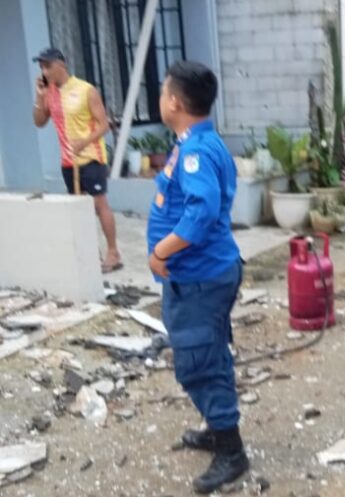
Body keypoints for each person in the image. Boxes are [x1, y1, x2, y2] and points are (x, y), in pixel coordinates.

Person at [146, 61, 248, 494]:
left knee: (198, 363)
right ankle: (216, 427)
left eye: (163, 91)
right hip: (204, 276)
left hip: (201, 279)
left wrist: (160, 251)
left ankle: (232, 452)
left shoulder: (196, 152)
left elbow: (202, 211)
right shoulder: (198, 143)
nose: (161, 98)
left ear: (174, 101)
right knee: (209, 353)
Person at [32, 48, 122, 273]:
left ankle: (113, 253)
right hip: (67, 162)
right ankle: (91, 253)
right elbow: (39, 122)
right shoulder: (49, 92)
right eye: (41, 66)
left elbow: (104, 124)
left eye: (47, 65)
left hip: (92, 157)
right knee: (79, 208)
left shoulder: (85, 90)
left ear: (61, 65)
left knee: (100, 205)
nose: (44, 70)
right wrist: (39, 96)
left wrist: (84, 142)